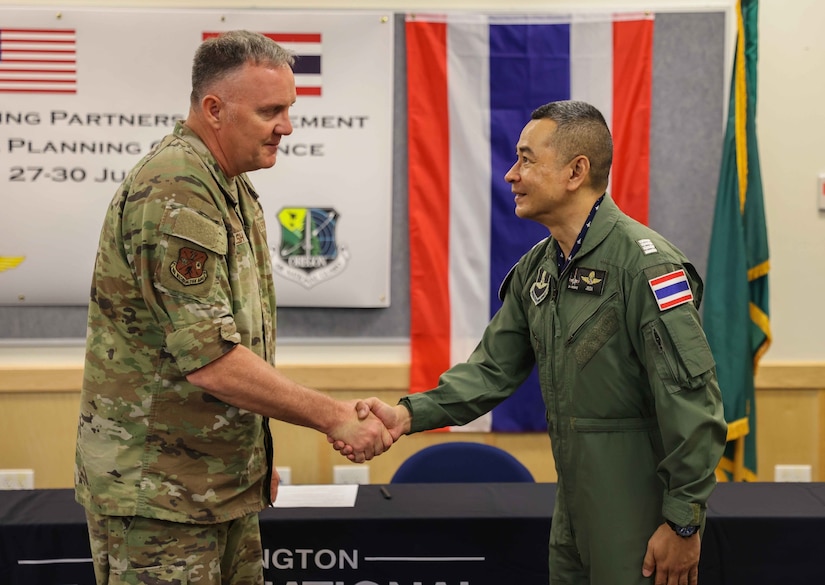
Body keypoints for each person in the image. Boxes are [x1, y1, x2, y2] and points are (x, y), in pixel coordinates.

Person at [336, 100, 727, 585]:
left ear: (575, 171)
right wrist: (406, 414)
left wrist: (683, 521)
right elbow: (491, 371)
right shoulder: (538, 269)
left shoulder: (646, 267)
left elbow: (692, 403)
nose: (510, 175)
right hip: (572, 507)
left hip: (640, 512)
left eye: (526, 159)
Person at [75, 30, 390, 585]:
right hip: (161, 499)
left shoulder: (228, 184)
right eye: (271, 110)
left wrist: (252, 462)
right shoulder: (177, 190)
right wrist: (334, 415)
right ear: (214, 109)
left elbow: (237, 345)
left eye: (289, 108)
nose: (287, 126)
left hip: (214, 486)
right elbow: (211, 359)